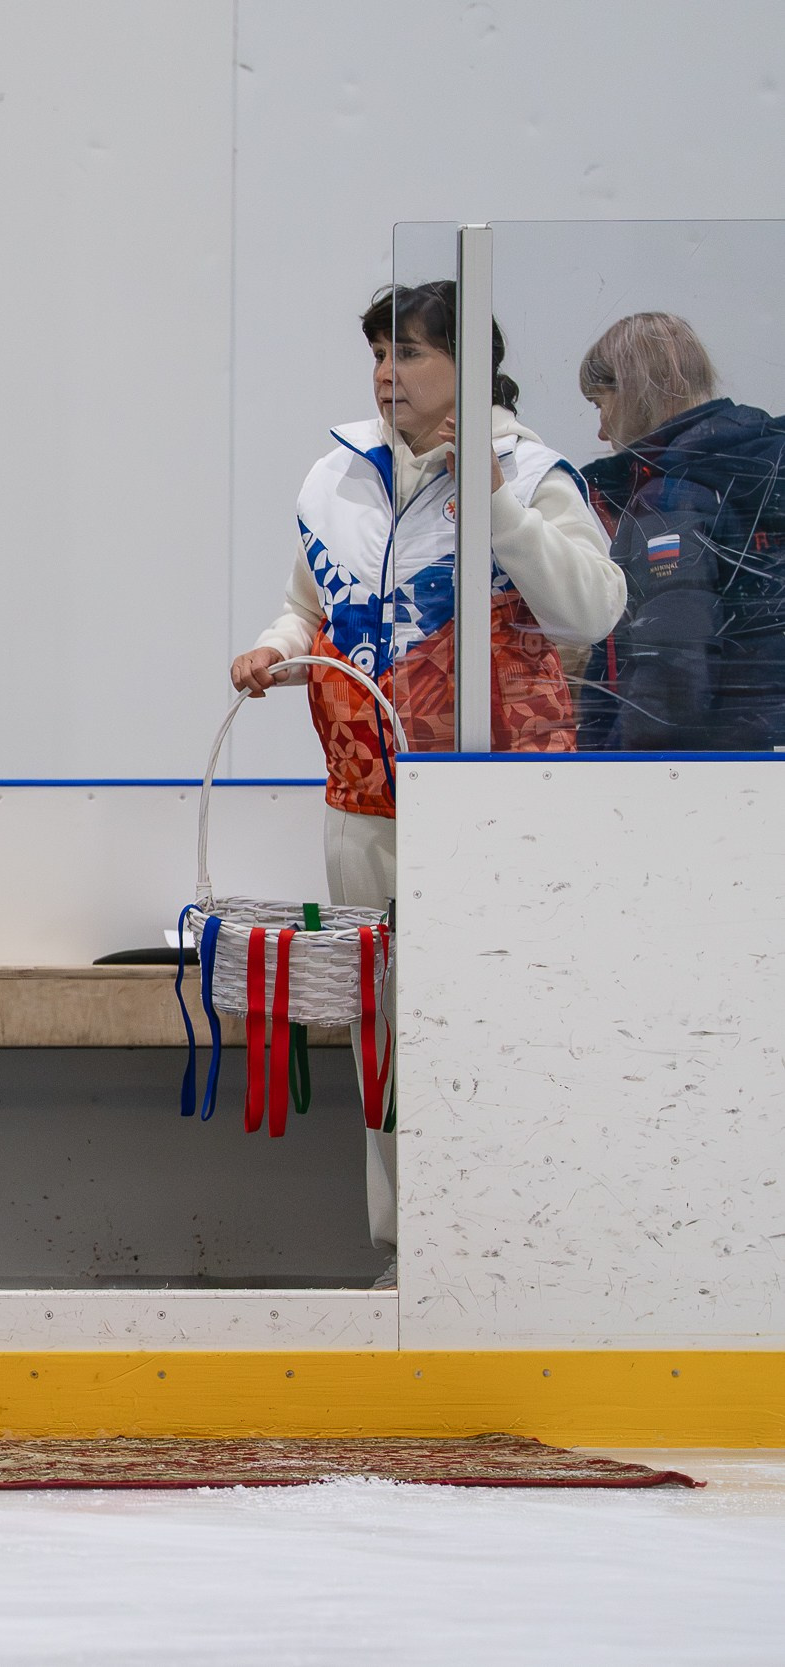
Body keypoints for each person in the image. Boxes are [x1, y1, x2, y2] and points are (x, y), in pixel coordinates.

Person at [230, 281, 622, 1285]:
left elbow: (592, 608)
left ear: (470, 368)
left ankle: (519, 1256)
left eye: (406, 352)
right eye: (375, 352)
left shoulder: (532, 471)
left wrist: (492, 497)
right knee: (385, 1030)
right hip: (361, 800)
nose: (384, 372)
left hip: (499, 807)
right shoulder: (334, 474)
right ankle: (408, 1258)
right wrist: (275, 648)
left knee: (502, 1020)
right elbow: (304, 598)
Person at [574, 312, 785, 752]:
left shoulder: (675, 493)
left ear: (633, 391)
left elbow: (670, 666)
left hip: (703, 770)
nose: (601, 430)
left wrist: (612, 763)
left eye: (600, 403)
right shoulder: (759, 471)